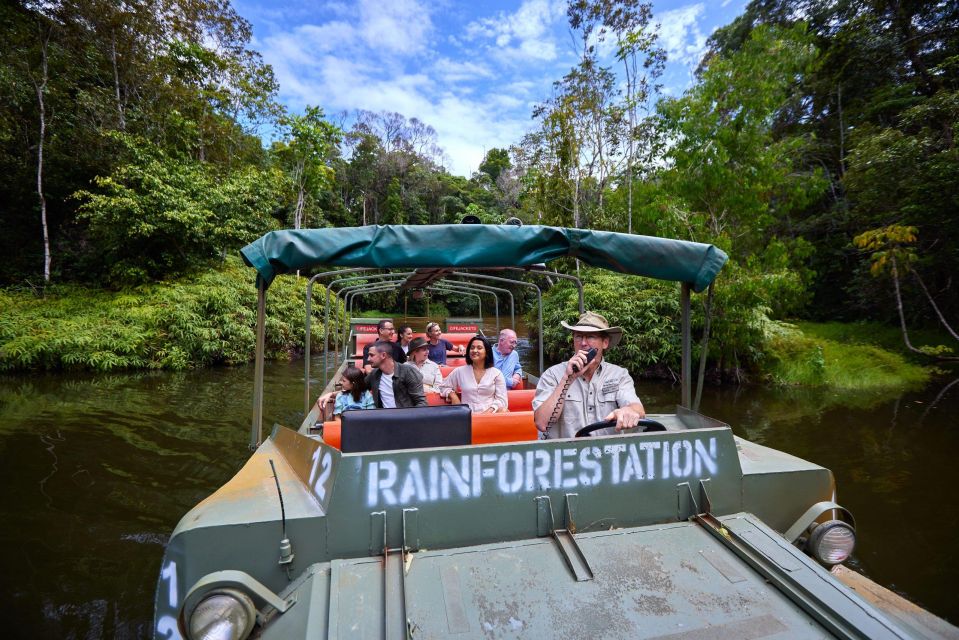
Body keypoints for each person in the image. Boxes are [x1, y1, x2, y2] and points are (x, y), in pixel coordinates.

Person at [533, 312, 645, 439]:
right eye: (578, 336)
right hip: (568, 450)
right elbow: (542, 423)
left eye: (591, 336)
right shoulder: (552, 374)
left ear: (605, 343)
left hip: (605, 450)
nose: (583, 343)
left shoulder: (619, 375)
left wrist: (629, 411)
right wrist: (567, 379)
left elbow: (637, 408)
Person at [321, 340, 426, 410]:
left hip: (405, 420)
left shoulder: (409, 372)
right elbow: (357, 389)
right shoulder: (375, 375)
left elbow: (421, 403)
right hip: (382, 420)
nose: (368, 359)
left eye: (371, 355)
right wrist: (331, 394)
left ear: (383, 355)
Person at [441, 335, 508, 413]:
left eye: (479, 348)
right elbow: (442, 386)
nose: (474, 350)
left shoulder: (497, 374)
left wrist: (489, 411)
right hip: (467, 415)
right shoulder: (459, 371)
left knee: (504, 410)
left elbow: (502, 400)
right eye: (472, 348)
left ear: (487, 352)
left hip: (490, 416)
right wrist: (453, 396)